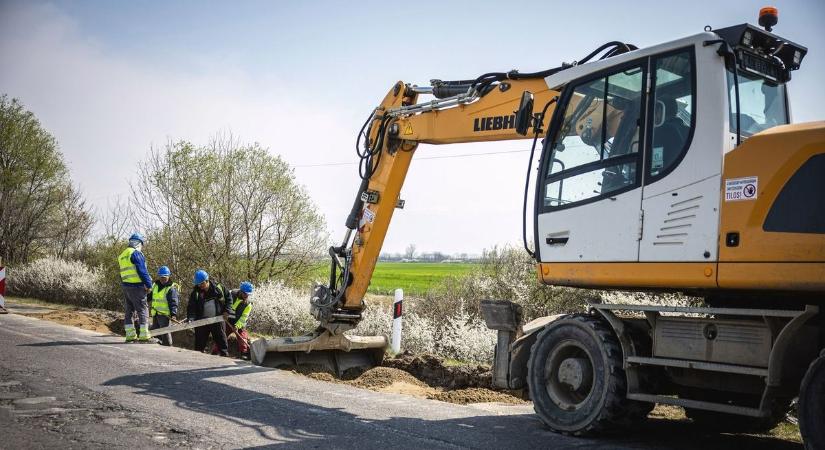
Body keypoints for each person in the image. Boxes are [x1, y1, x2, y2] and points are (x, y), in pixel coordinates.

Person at [117, 232, 153, 342]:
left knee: (129, 311)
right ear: (139, 243)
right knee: (143, 310)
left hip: (126, 286)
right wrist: (149, 284)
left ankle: (130, 335)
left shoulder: (122, 255)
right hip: (137, 286)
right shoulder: (136, 253)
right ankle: (144, 335)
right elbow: (142, 271)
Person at [187, 269, 230, 356]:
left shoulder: (219, 288)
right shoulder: (196, 293)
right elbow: (191, 307)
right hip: (202, 321)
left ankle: (224, 355)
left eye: (202, 283)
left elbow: (229, 299)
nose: (200, 286)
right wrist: (191, 318)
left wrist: (226, 311)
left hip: (217, 319)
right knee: (199, 344)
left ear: (207, 281)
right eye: (198, 284)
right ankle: (196, 359)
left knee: (221, 340)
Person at [214, 281, 254, 359]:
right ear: (241, 291)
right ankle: (215, 351)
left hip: (239, 323)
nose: (247, 296)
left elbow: (244, 317)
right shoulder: (230, 293)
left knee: (243, 337)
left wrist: (237, 326)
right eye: (245, 293)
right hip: (227, 320)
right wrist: (223, 312)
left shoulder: (248, 304)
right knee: (221, 335)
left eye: (248, 294)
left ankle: (244, 353)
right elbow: (222, 303)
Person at [148, 265, 179, 346]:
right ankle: (159, 345)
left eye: (165, 277)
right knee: (155, 330)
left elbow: (173, 302)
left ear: (168, 276)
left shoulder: (171, 288)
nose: (163, 279)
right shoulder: (155, 285)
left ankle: (168, 346)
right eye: (161, 277)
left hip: (165, 315)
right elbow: (149, 296)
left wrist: (173, 314)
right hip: (155, 313)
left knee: (165, 332)